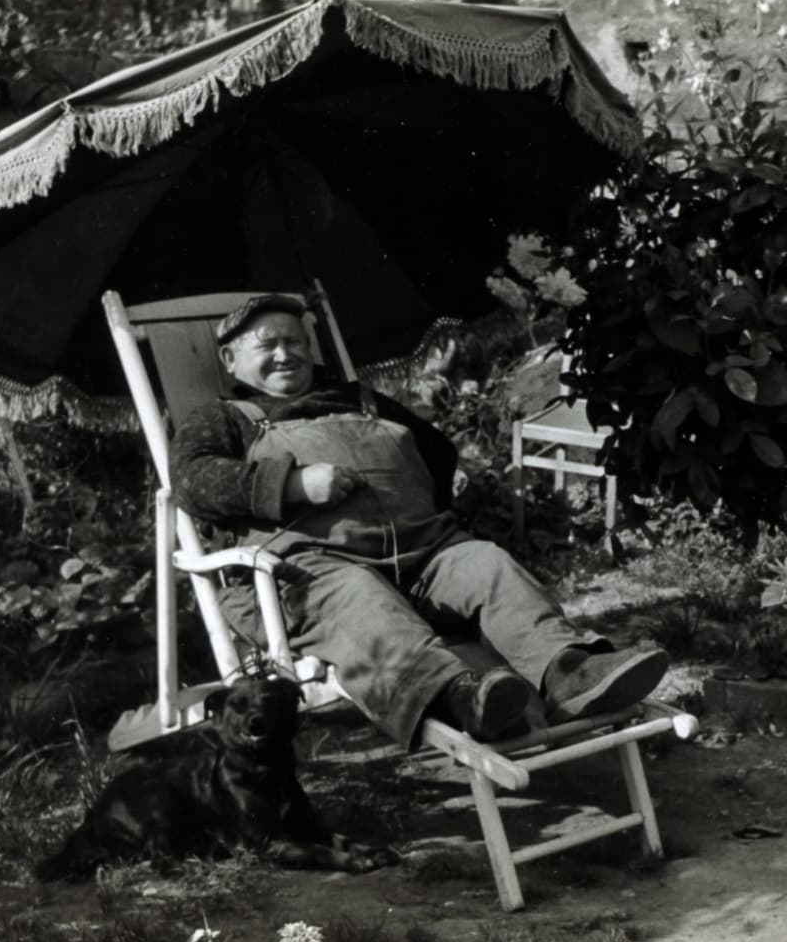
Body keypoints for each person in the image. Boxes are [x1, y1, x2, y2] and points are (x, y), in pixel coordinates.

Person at [170, 293, 667, 747]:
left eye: (296, 341)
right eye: (268, 345)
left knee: (485, 564)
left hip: (423, 553)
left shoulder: (357, 399)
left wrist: (439, 495)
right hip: (311, 574)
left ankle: (570, 673)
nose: (286, 353)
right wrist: (294, 485)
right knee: (360, 599)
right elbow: (192, 480)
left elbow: (434, 450)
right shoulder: (225, 418)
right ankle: (463, 698)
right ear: (230, 359)